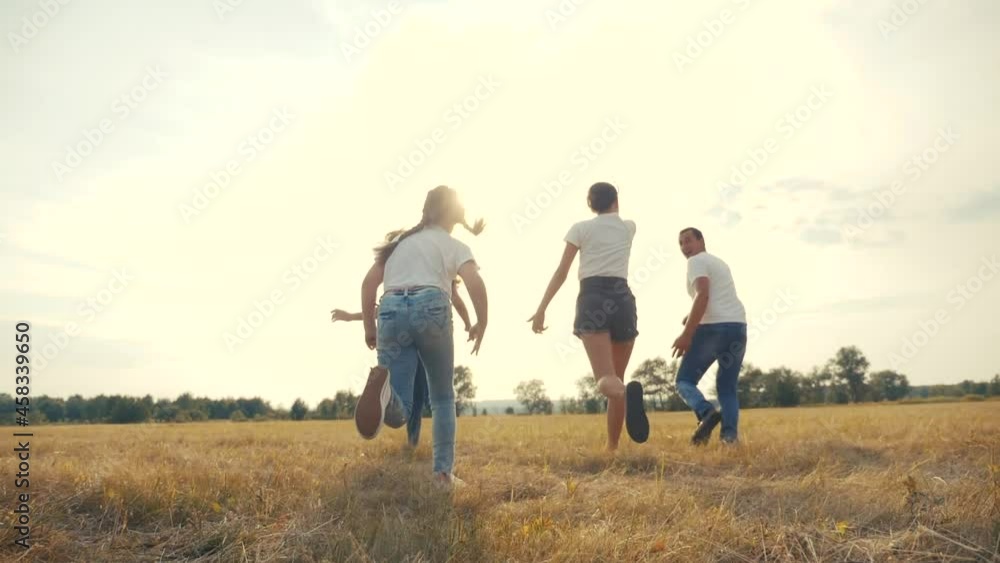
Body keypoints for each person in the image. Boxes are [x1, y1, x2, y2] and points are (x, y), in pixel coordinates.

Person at [356, 186, 488, 486]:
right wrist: (482, 323)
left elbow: (368, 284)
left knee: (397, 412)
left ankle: (384, 392)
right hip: (430, 306)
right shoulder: (453, 245)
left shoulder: (399, 244)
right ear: (456, 214)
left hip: (390, 308)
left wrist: (369, 327)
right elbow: (473, 281)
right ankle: (442, 474)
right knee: (442, 397)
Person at [529, 182, 649, 449]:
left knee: (607, 380)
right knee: (618, 376)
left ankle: (626, 397)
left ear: (590, 204)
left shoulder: (580, 229)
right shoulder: (629, 227)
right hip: (623, 298)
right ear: (616, 200)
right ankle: (612, 448)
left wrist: (542, 308)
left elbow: (562, 272)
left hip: (593, 297)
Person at [331, 278, 474, 448]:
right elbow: (456, 299)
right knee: (429, 400)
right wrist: (468, 324)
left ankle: (388, 396)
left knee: (410, 399)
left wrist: (350, 317)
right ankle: (420, 444)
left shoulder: (408, 277)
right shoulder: (439, 278)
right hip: (427, 347)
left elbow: (380, 311)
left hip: (400, 337)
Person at [671, 227, 748, 445]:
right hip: (737, 327)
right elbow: (716, 297)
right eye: (681, 244)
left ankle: (706, 413)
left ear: (701, 240)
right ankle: (729, 439)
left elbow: (703, 294)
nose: (685, 247)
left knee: (684, 381)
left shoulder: (695, 262)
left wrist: (687, 334)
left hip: (713, 329)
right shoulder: (720, 263)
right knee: (727, 386)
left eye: (688, 241)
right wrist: (690, 316)